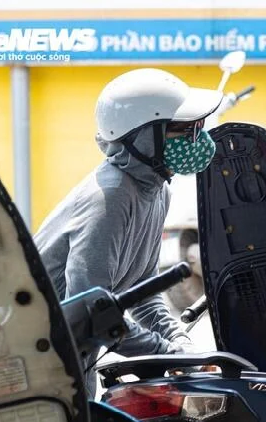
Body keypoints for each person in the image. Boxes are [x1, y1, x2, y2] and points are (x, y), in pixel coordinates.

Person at [34, 68, 222, 397]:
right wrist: (167, 352)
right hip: (37, 363)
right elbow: (93, 315)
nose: (198, 138)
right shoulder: (109, 199)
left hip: (73, 360)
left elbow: (142, 293)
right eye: (185, 129)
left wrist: (178, 342)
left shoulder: (156, 190)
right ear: (144, 137)